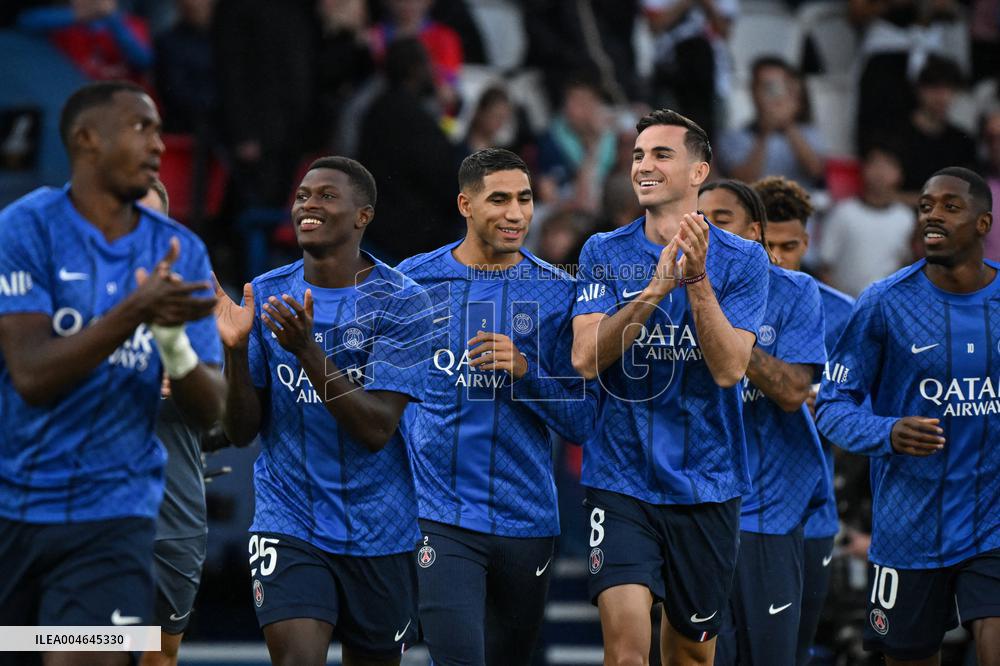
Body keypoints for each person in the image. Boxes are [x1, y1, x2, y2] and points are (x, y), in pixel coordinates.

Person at [0, 80, 224, 664]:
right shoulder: (23, 230)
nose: (157, 145)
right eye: (139, 127)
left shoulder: (181, 253)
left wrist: (173, 341)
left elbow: (211, 411)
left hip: (115, 518)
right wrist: (135, 313)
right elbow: (31, 375)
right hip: (15, 510)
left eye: (158, 129)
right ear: (86, 139)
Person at [215, 156, 433, 666]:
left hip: (382, 529)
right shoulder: (267, 293)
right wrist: (234, 351)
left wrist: (308, 351)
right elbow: (242, 429)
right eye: (302, 196)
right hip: (288, 519)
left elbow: (377, 428)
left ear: (363, 215)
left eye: (327, 196)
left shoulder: (404, 303)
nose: (308, 204)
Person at [570, 109, 770, 665]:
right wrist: (655, 290)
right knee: (627, 651)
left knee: (691, 657)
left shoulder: (745, 260)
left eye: (661, 154)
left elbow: (730, 369)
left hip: (708, 483)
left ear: (699, 171)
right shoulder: (602, 252)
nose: (644, 166)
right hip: (621, 478)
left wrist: (696, 280)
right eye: (637, 155)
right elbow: (585, 357)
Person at [395, 148, 594, 665]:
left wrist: (526, 373)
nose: (516, 213)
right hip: (438, 515)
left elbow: (582, 421)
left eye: (525, 200)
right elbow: (379, 400)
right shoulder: (410, 284)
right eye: (499, 199)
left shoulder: (559, 293)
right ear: (465, 204)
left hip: (526, 519)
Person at [816, 167, 1000, 666]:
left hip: (994, 521)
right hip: (911, 530)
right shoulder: (884, 303)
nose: (932, 216)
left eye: (949, 207)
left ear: (984, 223)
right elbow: (832, 405)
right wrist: (888, 431)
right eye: (925, 206)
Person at [698, 180, 828, 666]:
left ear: (752, 232)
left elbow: (795, 390)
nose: (704, 229)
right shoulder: (666, 289)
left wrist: (723, 334)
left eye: (720, 219)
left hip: (768, 510)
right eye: (698, 217)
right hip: (693, 506)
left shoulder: (797, 291)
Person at [750, 175, 857, 665]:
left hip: (812, 514)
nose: (778, 257)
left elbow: (871, 411)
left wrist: (829, 407)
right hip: (731, 507)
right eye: (768, 244)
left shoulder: (845, 317)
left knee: (789, 655)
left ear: (807, 243)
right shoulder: (721, 308)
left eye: (789, 246)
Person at [135, 180, 232, 666]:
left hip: (174, 516)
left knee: (159, 654)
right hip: (87, 515)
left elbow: (221, 422)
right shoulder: (65, 296)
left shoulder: (195, 304)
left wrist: (198, 377)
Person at [818, 144, 916, 296]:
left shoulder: (906, 218)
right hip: (845, 307)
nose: (880, 172)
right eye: (875, 163)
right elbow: (824, 266)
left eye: (888, 165)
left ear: (900, 174)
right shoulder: (843, 212)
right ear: (863, 169)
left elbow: (907, 267)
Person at [717, 57, 826, 188]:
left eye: (781, 86)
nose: (775, 94)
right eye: (767, 87)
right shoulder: (734, 137)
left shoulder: (808, 132)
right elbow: (743, 182)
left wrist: (788, 125)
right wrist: (764, 133)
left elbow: (816, 171)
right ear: (753, 91)